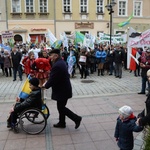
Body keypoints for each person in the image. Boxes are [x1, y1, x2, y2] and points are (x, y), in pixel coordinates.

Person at [43, 49, 82, 129]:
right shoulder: (60, 62)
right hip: (63, 89)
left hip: (62, 90)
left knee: (61, 107)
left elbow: (53, 78)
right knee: (60, 107)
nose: (50, 57)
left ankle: (77, 118)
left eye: (51, 55)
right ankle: (62, 122)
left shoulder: (57, 65)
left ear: (56, 56)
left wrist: (45, 86)